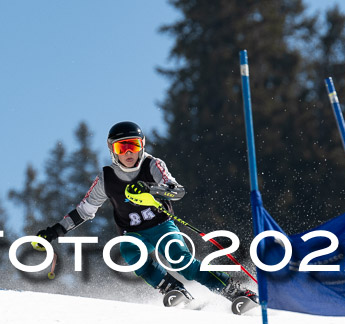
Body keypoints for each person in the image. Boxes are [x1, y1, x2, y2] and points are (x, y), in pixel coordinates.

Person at [34, 121, 256, 306]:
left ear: (142, 146)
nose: (129, 152)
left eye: (133, 145)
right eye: (122, 148)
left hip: (161, 225)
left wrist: (152, 189)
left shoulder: (152, 165)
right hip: (133, 233)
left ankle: (234, 291)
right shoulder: (106, 178)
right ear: (113, 151)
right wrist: (54, 232)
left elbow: (177, 191)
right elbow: (84, 211)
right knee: (131, 254)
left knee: (180, 259)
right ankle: (172, 289)